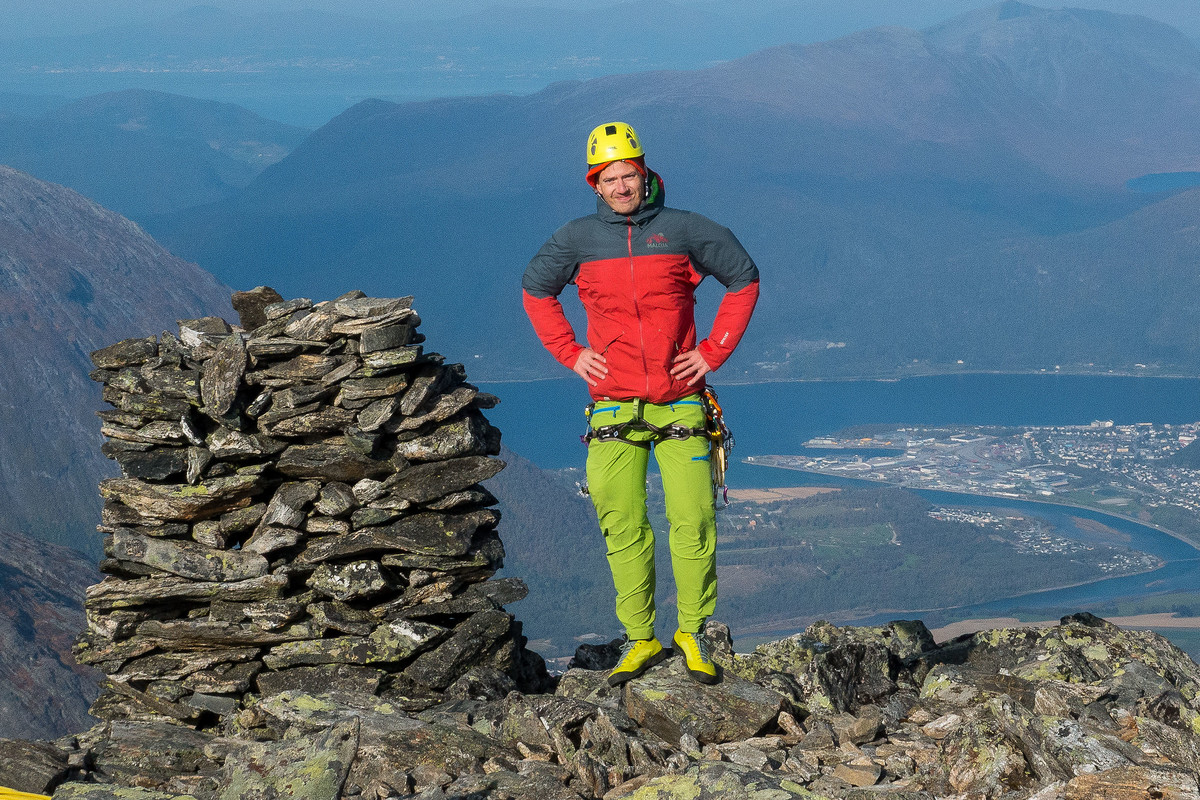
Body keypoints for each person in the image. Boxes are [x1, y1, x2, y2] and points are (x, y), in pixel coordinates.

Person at [522, 122, 760, 686]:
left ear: (645, 172)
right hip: (612, 402)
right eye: (610, 179)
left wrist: (713, 351)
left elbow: (744, 278)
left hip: (680, 400)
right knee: (622, 523)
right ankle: (640, 638)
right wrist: (570, 353)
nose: (622, 187)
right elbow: (536, 290)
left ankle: (693, 634)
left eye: (629, 175)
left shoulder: (685, 230)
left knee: (694, 520)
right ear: (595, 184)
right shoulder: (576, 240)